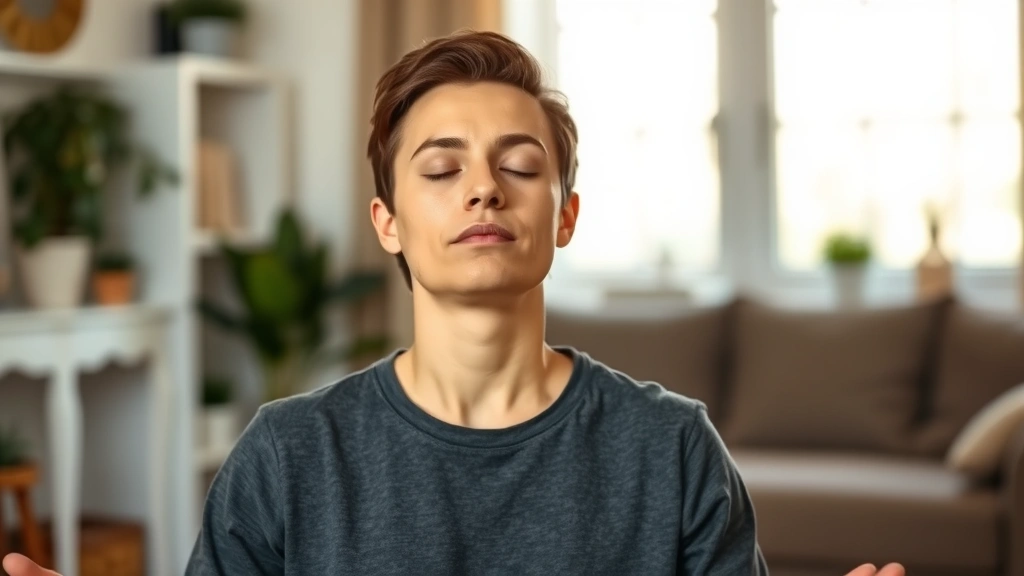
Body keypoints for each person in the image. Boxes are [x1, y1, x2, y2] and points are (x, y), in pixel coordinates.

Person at [3, 30, 907, 576]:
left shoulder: (670, 450)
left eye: (520, 167)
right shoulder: (288, 456)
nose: (484, 189)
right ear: (388, 221)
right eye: (441, 169)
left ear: (565, 219)